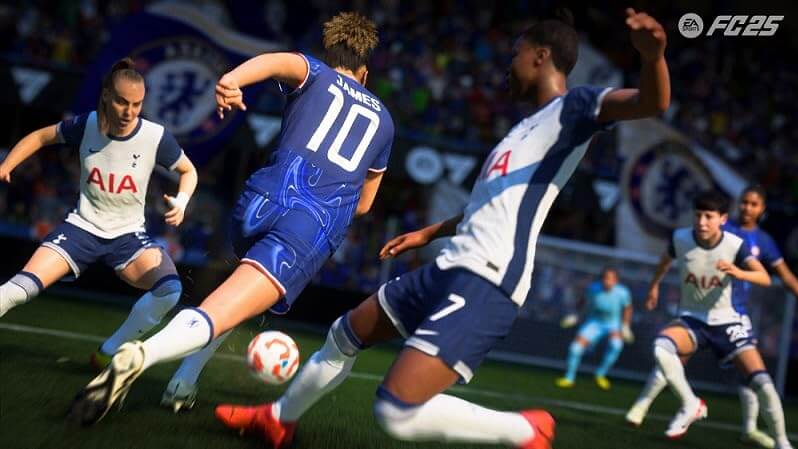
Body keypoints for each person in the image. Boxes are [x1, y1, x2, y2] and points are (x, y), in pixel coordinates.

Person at [212, 8, 669, 449]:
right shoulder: (523, 131)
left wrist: (653, 57)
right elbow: (489, 206)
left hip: (488, 278)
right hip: (453, 264)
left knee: (395, 412)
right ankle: (278, 419)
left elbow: (651, 102)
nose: (508, 66)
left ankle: (526, 430)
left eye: (514, 54)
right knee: (345, 334)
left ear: (540, 56)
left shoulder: (575, 107)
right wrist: (429, 233)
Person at [69, 11, 394, 423]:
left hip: (261, 199)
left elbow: (275, 61)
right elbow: (364, 205)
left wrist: (232, 81)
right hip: (309, 224)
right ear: (364, 74)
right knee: (226, 308)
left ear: (330, 56)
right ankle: (142, 356)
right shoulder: (385, 121)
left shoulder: (313, 70)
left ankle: (184, 382)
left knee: (231, 295)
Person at [0, 59, 197, 365]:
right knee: (21, 288)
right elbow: (39, 137)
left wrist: (182, 202)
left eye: (137, 104)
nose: (129, 111)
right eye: (122, 102)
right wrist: (6, 165)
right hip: (80, 229)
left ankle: (109, 351)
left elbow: (189, 171)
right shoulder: (86, 125)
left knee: (170, 291)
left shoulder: (155, 136)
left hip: (128, 237)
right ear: (106, 95)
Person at [625, 185, 798, 448]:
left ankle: (779, 441)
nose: (702, 222)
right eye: (698, 215)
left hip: (730, 319)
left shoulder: (740, 243)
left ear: (722, 219)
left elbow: (768, 277)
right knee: (663, 349)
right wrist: (654, 286)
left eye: (709, 216)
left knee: (760, 381)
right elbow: (664, 261)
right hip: (694, 319)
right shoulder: (681, 238)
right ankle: (684, 404)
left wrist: (739, 272)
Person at [555, 267, 633, 390]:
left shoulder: (622, 292)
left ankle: (600, 374)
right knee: (575, 348)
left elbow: (628, 308)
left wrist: (625, 326)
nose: (608, 281)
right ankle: (569, 378)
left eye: (611, 279)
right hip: (594, 323)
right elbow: (582, 302)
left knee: (616, 345)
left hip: (613, 324)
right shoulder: (593, 289)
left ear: (616, 281)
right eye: (605, 278)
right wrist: (576, 316)